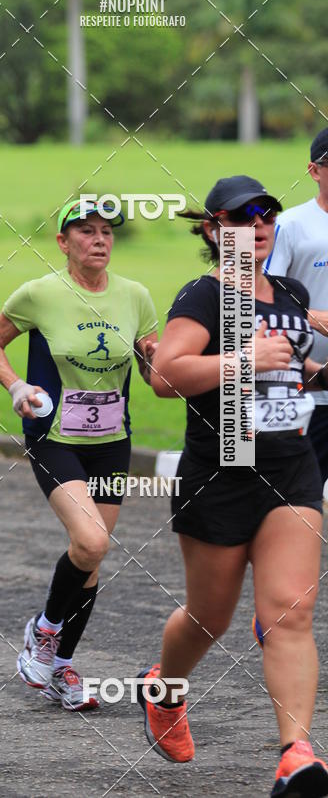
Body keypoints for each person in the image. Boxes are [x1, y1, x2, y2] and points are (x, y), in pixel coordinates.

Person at [139, 175, 328, 796]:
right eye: (243, 217)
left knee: (290, 612)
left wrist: (316, 373)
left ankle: (297, 756)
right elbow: (166, 375)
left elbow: (290, 368)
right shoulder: (203, 295)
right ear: (214, 230)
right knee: (209, 618)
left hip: (290, 467)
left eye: (267, 213)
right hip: (221, 471)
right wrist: (245, 360)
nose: (260, 224)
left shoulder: (291, 293)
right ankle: (164, 690)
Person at [0, 197, 157, 711]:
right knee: (92, 541)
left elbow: (153, 367)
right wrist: (16, 387)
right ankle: (44, 629)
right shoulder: (40, 294)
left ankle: (61, 667)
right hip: (54, 438)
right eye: (86, 231)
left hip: (112, 443)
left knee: (91, 558)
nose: (99, 240)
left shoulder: (136, 296)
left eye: (107, 232)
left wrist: (160, 361)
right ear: (63, 242)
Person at [264, 127, 328, 487]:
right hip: (305, 392)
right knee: (300, 493)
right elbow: (264, 299)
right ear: (314, 170)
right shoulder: (290, 225)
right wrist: (317, 320)